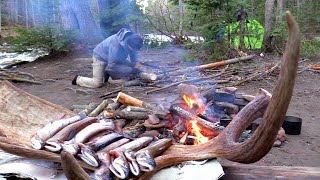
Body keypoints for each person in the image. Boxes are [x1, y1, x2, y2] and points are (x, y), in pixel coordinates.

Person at [72, 28, 143, 88]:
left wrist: (135, 63)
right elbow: (112, 66)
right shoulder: (115, 45)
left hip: (115, 58)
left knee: (128, 68)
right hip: (100, 58)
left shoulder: (131, 40)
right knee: (97, 83)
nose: (133, 51)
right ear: (127, 43)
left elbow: (133, 53)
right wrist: (132, 69)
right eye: (132, 49)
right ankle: (78, 79)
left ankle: (107, 73)